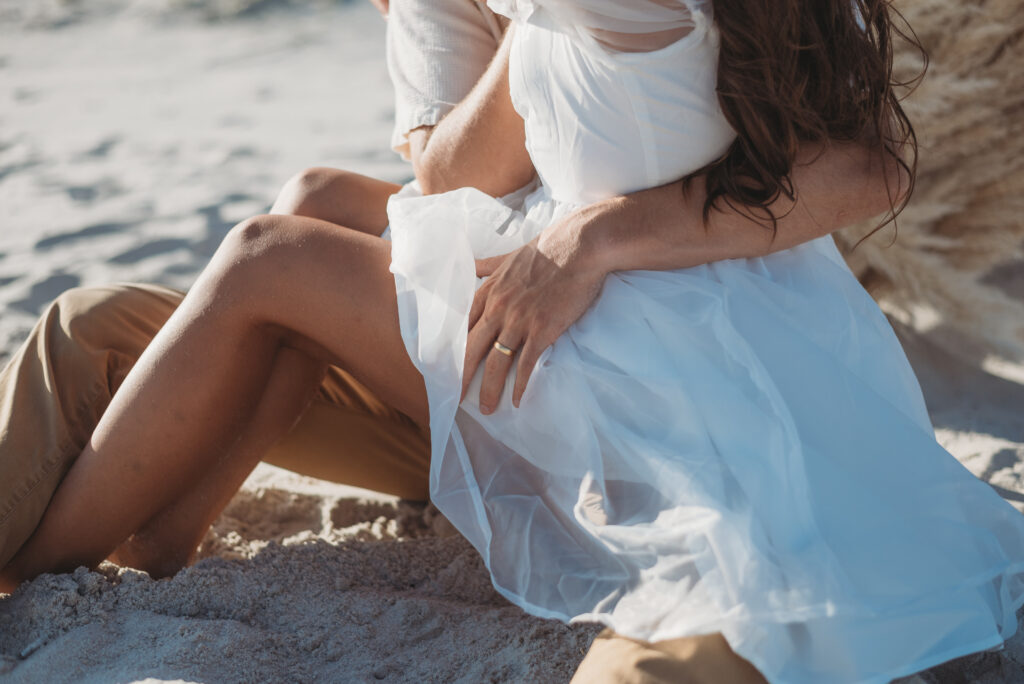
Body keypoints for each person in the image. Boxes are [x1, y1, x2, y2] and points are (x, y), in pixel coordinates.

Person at [3, 2, 1024, 683]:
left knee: (270, 251)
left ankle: (41, 562)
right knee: (130, 310)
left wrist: (601, 228)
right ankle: (149, 533)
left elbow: (462, 181)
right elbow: (448, 182)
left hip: (626, 335)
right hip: (662, 312)